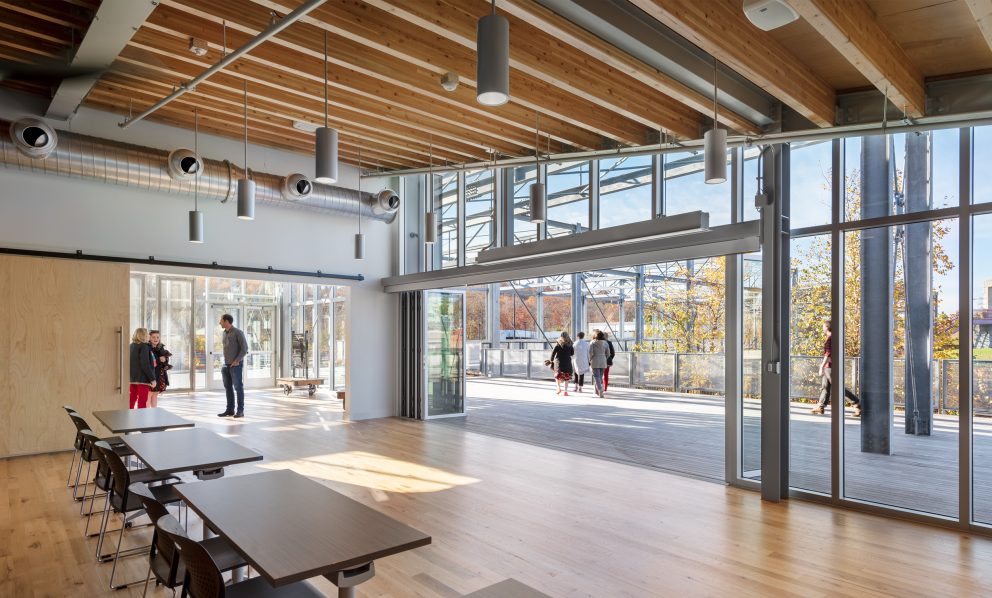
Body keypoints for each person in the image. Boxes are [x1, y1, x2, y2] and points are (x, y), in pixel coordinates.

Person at [811, 319, 861, 417]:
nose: (822, 328)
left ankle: (857, 404)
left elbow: (828, 354)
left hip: (830, 367)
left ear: (827, 327)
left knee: (838, 387)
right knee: (825, 387)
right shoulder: (832, 337)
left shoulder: (830, 338)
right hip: (829, 366)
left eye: (823, 326)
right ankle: (820, 406)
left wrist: (821, 367)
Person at [218, 314, 249, 418]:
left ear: (226, 321)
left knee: (238, 388)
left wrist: (237, 360)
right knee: (228, 388)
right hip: (226, 365)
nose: (220, 322)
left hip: (236, 365)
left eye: (221, 321)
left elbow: (244, 349)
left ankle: (240, 411)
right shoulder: (224, 333)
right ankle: (230, 410)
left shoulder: (238, 333)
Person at [128, 327, 156, 409]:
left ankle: (128, 416)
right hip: (142, 379)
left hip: (132, 378)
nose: (149, 336)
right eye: (147, 334)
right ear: (143, 335)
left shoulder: (131, 346)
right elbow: (145, 364)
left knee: (132, 398)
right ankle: (141, 419)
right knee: (142, 400)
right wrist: (152, 379)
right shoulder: (144, 346)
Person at [148, 330, 172, 408]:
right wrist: (159, 360)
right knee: (149, 394)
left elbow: (166, 360)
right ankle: (147, 414)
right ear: (149, 338)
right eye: (153, 337)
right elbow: (148, 362)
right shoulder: (147, 348)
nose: (156, 339)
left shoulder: (161, 348)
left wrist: (165, 359)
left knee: (155, 394)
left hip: (160, 375)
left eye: (157, 337)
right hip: (151, 375)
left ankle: (154, 413)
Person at [589, 331, 609, 398]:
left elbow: (590, 353)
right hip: (603, 361)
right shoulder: (605, 343)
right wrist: (604, 357)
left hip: (595, 361)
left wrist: (590, 359)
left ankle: (600, 389)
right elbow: (608, 354)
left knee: (596, 377)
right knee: (600, 376)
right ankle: (596, 391)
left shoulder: (592, 343)